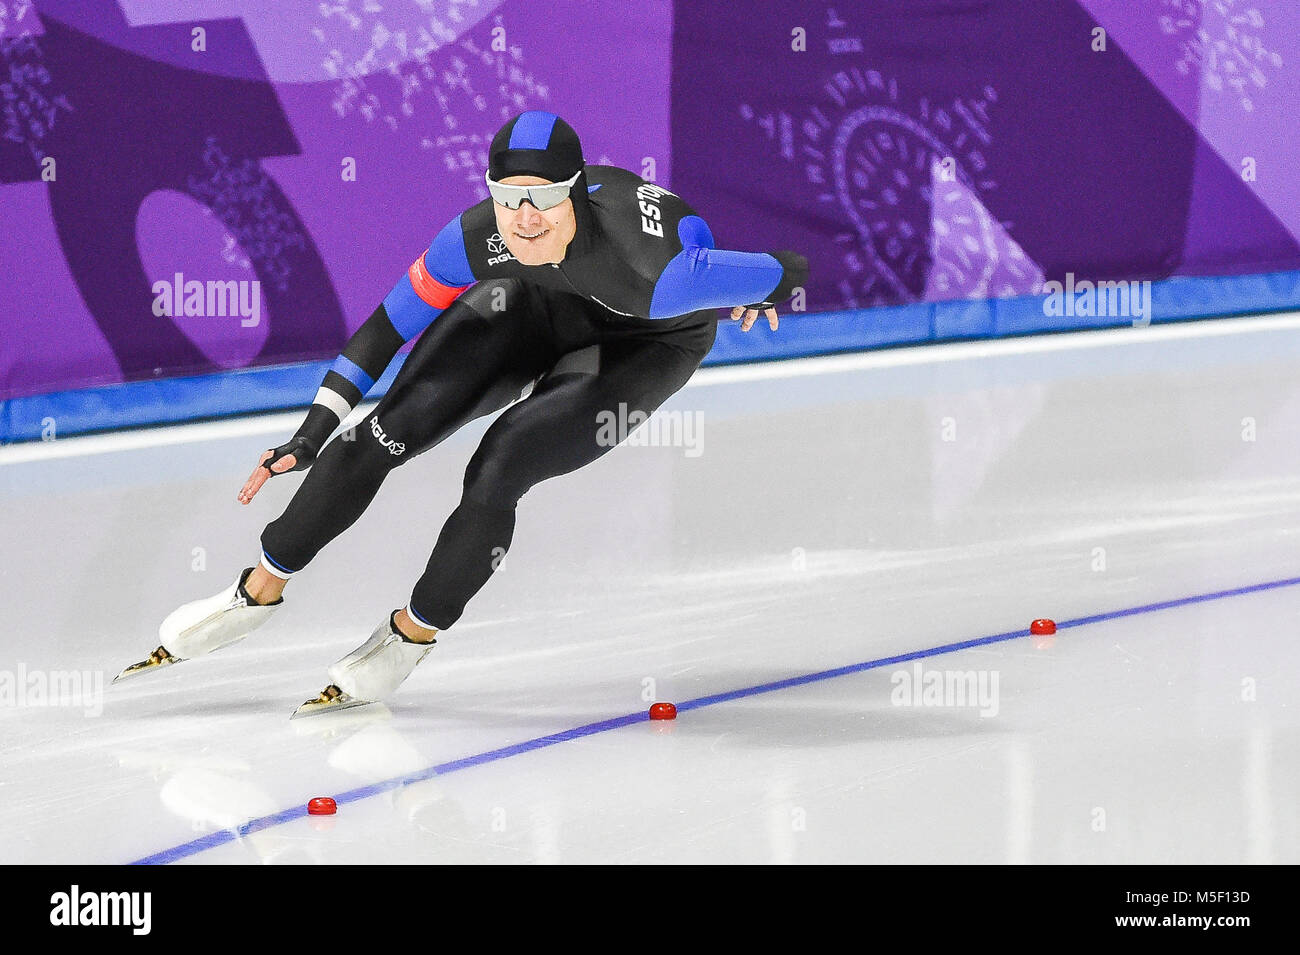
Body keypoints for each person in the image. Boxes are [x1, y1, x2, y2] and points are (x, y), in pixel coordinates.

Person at [116, 110, 809, 717]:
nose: (526, 218)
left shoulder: (660, 270)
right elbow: (388, 326)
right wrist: (310, 431)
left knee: (500, 463)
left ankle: (409, 634)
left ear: (578, 198)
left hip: (642, 343)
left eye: (543, 200)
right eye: (509, 199)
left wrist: (762, 290)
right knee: (379, 432)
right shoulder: (481, 237)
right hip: (537, 307)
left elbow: (789, 263)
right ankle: (254, 592)